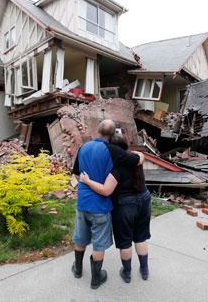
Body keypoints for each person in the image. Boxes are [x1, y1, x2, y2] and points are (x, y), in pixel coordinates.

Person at [71, 120, 144, 289]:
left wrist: (84, 186)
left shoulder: (83, 147)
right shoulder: (113, 151)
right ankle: (96, 278)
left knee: (80, 237)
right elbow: (136, 161)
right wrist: (140, 155)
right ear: (113, 134)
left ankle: (77, 269)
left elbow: (76, 173)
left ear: (98, 130)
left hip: (82, 202)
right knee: (98, 242)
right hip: (101, 205)